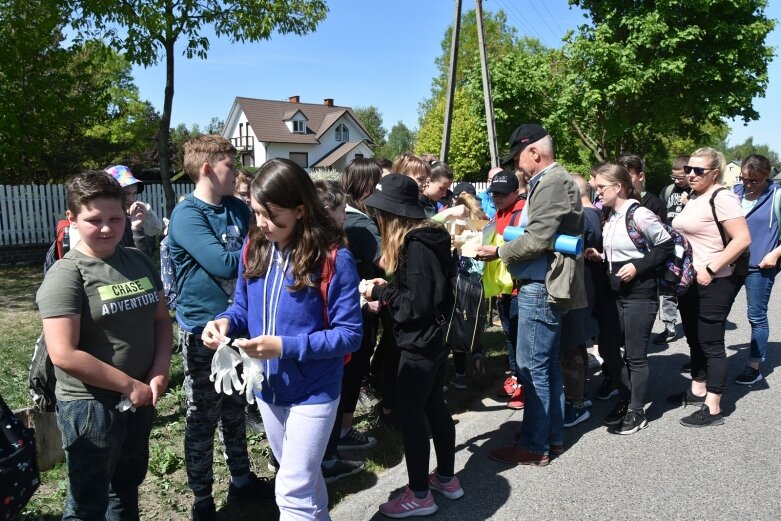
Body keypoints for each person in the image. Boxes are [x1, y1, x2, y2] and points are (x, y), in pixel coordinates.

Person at [203, 159, 362, 520]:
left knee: (290, 488)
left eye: (273, 215)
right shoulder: (254, 246)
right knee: (303, 481)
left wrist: (286, 346)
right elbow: (242, 306)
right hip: (268, 388)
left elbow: (350, 335)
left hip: (315, 389)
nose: (262, 224)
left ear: (301, 210)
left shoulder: (335, 259)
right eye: (257, 212)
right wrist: (225, 323)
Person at [37, 171, 172, 520]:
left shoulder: (138, 260)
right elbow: (63, 353)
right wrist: (129, 385)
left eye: (115, 218)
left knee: (125, 490)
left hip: (142, 395)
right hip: (91, 407)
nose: (108, 229)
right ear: (72, 221)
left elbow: (160, 319)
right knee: (87, 503)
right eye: (94, 220)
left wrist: (159, 371)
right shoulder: (68, 274)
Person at [167, 135, 269, 521]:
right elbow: (229, 264)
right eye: (231, 164)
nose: (239, 173)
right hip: (203, 334)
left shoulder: (236, 209)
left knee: (236, 407)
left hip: (237, 325)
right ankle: (202, 500)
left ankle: (242, 480)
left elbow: (253, 252)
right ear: (208, 169)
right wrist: (252, 254)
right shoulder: (188, 215)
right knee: (202, 416)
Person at [478, 123, 586, 466]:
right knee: (544, 366)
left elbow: (537, 238)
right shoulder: (550, 181)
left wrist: (498, 252)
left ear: (534, 153)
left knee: (531, 367)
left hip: (541, 286)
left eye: (518, 157)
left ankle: (535, 444)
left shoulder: (552, 182)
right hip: (542, 283)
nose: (516, 165)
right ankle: (548, 437)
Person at [361, 174, 462, 518]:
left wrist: (378, 292)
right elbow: (423, 293)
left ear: (393, 215)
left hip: (418, 345)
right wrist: (390, 285)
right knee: (435, 406)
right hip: (434, 340)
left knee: (411, 415)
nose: (377, 219)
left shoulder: (417, 246)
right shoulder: (430, 238)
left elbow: (413, 305)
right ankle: (446, 479)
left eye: (379, 214)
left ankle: (419, 494)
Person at [585, 164, 673, 434]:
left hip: (640, 293)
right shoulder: (610, 214)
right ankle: (626, 396)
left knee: (635, 355)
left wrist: (638, 266)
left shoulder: (640, 214)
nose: (597, 192)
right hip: (615, 293)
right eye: (596, 187)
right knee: (608, 349)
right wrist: (601, 257)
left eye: (601, 187)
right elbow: (621, 248)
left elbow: (666, 245)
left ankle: (636, 410)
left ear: (618, 187)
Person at [669, 147, 750, 427]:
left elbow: (742, 239)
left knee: (711, 342)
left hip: (715, 280)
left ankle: (714, 406)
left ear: (715, 173)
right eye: (689, 169)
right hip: (689, 279)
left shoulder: (722, 197)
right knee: (693, 336)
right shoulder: (693, 196)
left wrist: (712, 268)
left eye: (698, 171)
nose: (690, 174)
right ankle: (698, 389)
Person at [732, 154, 781, 385]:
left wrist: (775, 254)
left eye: (755, 180)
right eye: (745, 179)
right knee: (715, 313)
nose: (748, 184)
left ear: (767, 176)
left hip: (760, 266)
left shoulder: (777, 195)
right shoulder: (735, 193)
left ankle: (754, 366)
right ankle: (706, 361)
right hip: (731, 262)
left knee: (756, 316)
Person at [480, 170, 526, 409]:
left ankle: (524, 385)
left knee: (521, 339)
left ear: (515, 192)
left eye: (502, 193)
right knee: (509, 336)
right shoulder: (499, 212)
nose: (496, 197)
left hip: (519, 288)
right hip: (503, 286)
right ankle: (516, 378)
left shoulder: (522, 212)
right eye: (494, 193)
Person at [560, 174, 602, 428]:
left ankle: (575, 404)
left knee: (571, 347)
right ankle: (580, 396)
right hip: (585, 288)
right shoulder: (594, 214)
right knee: (576, 346)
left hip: (578, 290)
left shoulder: (584, 217)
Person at [653, 155, 691, 345]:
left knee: (689, 288)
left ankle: (693, 323)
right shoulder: (668, 191)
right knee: (668, 286)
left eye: (680, 177)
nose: (676, 181)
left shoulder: (697, 191)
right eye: (673, 176)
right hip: (672, 246)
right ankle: (669, 326)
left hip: (692, 248)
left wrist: (689, 205)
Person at [617, 155, 666, 221]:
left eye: (628, 178)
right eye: (620, 178)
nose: (623, 182)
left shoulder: (654, 204)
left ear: (640, 176)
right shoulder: (615, 202)